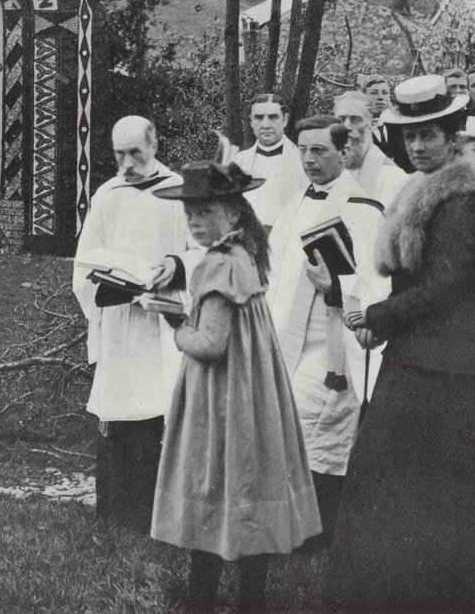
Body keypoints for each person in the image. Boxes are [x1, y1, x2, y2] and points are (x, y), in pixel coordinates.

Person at [328, 74, 475, 613]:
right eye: (410, 137)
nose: (417, 147)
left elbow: (446, 287)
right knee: (403, 484)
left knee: (434, 489)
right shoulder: (426, 195)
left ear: (452, 138)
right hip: (421, 356)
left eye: (429, 137)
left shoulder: (461, 204)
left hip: (452, 366)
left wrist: (378, 315)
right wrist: (383, 318)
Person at [149, 161, 320, 612]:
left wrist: (173, 321)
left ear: (236, 214)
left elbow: (208, 345)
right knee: (248, 483)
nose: (196, 221)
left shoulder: (217, 267)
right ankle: (250, 600)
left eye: (206, 211)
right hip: (253, 390)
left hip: (222, 395)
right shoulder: (247, 255)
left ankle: (201, 599)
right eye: (190, 213)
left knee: (214, 481)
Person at [264, 115, 389, 544]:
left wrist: (335, 286)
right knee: (289, 426)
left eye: (319, 150)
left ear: (345, 152)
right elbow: (276, 270)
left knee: (324, 430)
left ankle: (319, 534)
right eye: (302, 149)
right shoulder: (294, 203)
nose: (309, 159)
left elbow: (378, 283)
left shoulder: (363, 209)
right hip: (287, 338)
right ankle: (293, 527)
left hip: (334, 343)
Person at [71, 115, 189, 533]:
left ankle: (156, 515)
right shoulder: (108, 194)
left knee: (158, 415)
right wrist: (104, 291)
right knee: (119, 415)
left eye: (135, 152)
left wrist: (175, 266)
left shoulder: (177, 190)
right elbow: (86, 259)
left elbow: (196, 251)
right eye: (119, 154)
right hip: (120, 324)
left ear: (154, 145)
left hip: (162, 326)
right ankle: (115, 513)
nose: (126, 162)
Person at [231, 93, 305, 232]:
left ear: (285, 120)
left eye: (273, 117)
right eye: (259, 118)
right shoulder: (238, 162)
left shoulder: (302, 162)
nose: (266, 125)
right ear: (251, 121)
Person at [333, 90, 408, 208]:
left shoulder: (393, 177)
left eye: (355, 119)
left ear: (373, 125)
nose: (346, 126)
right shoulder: (328, 171)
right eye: (340, 120)